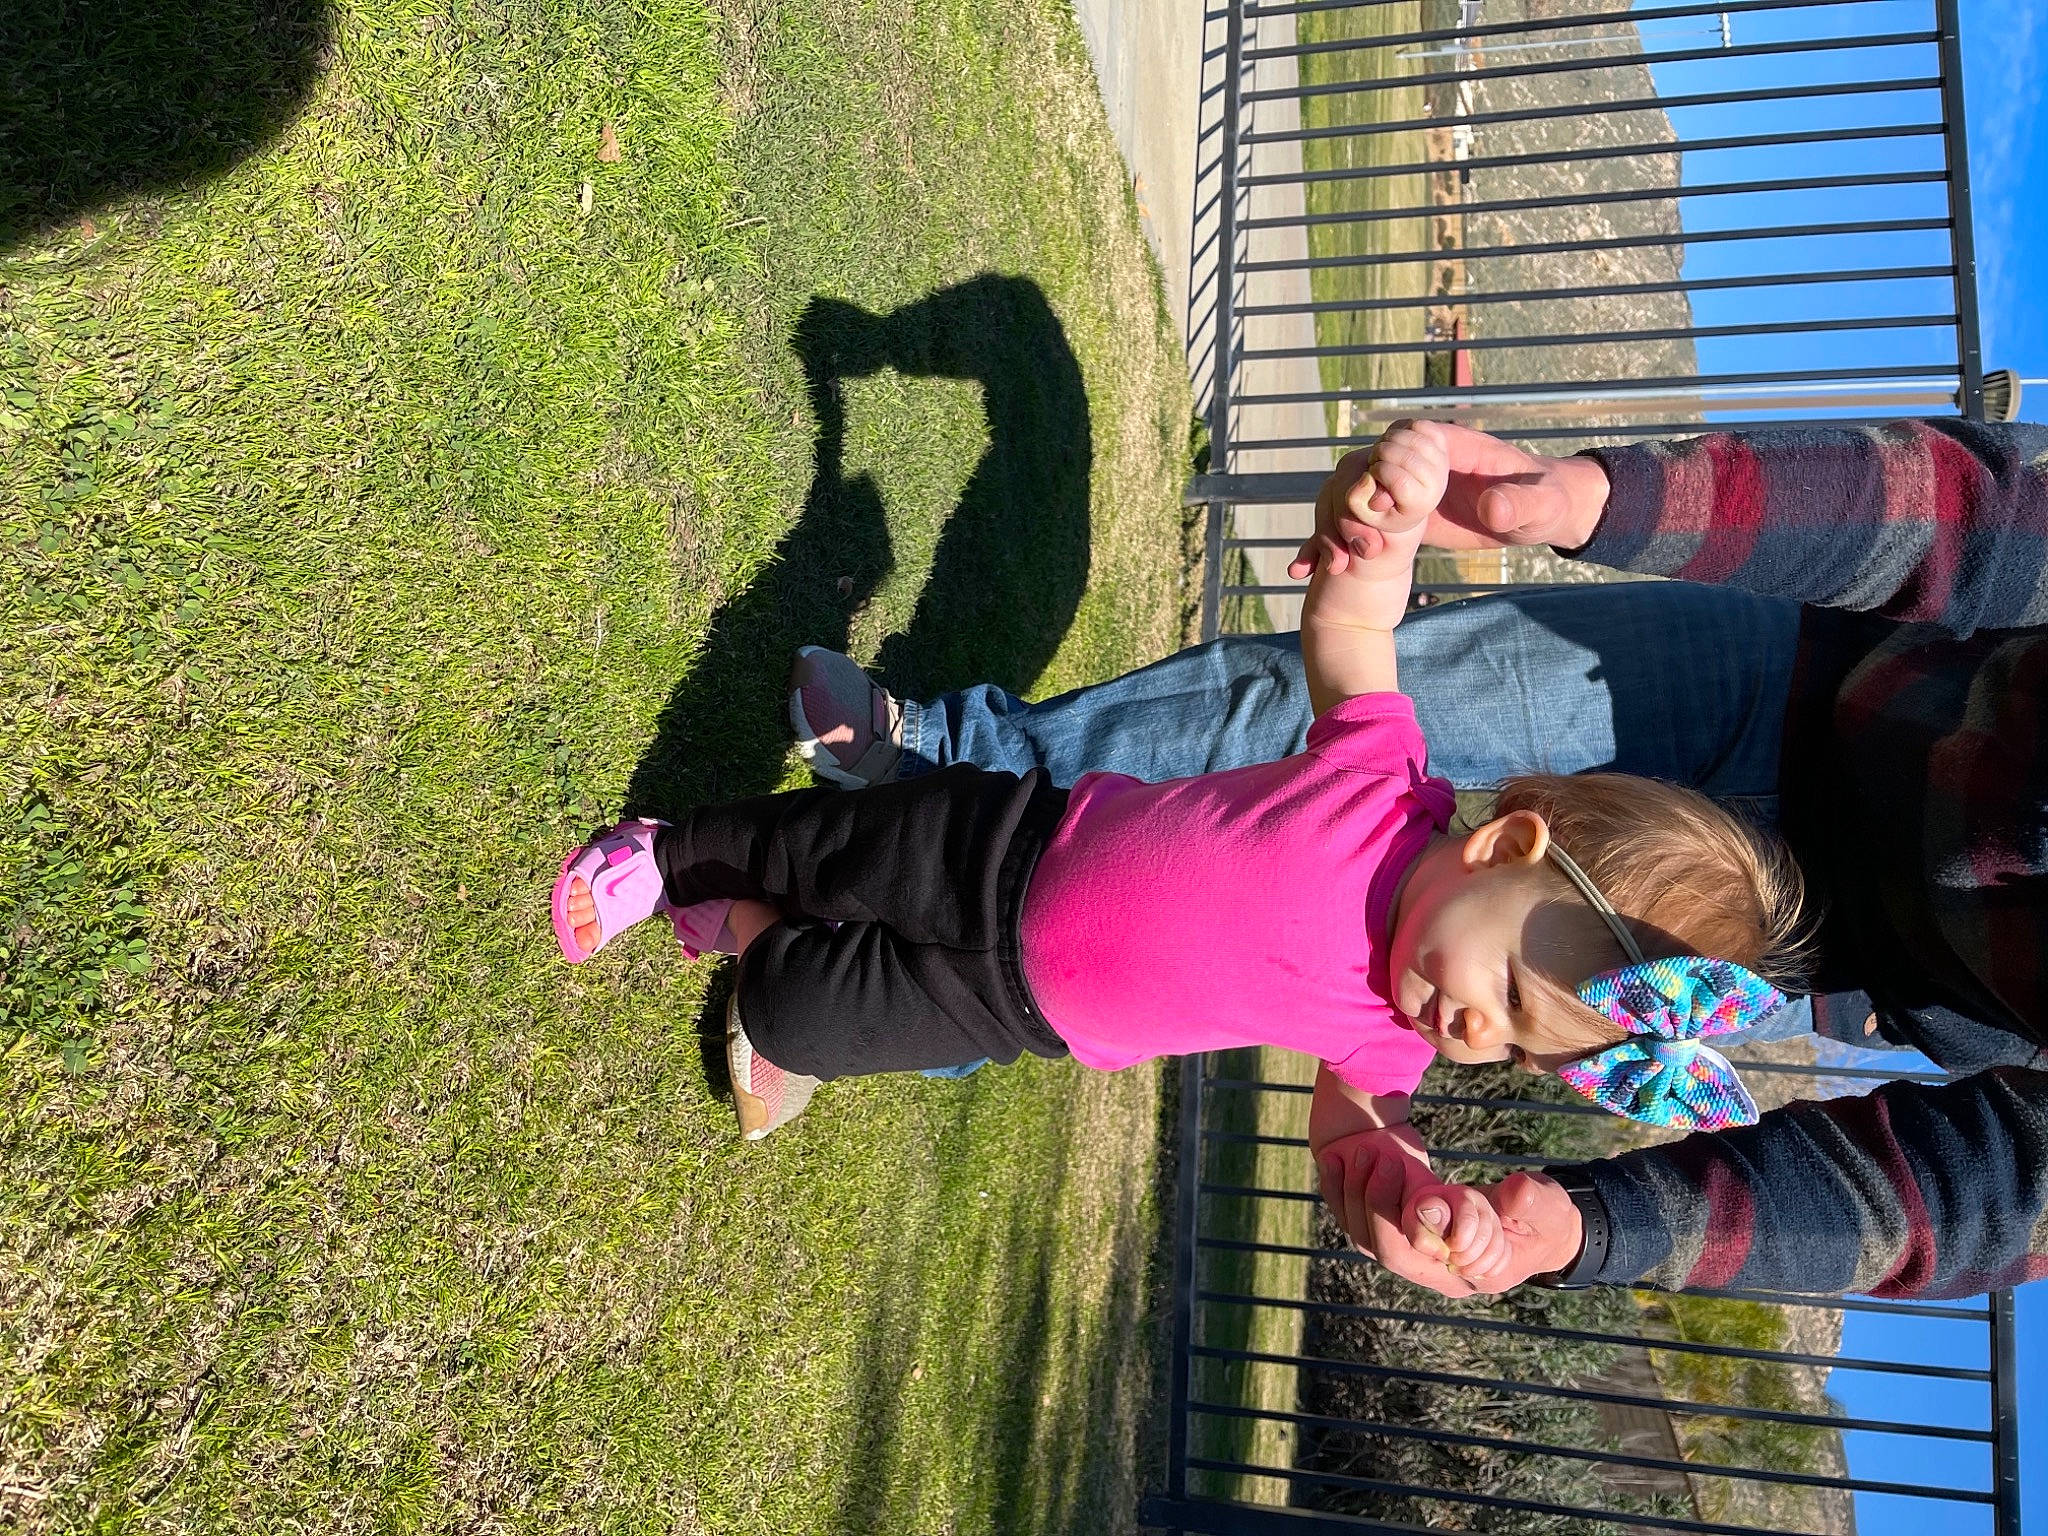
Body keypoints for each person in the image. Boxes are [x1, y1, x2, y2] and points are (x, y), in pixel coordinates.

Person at [787, 418, 2048, 1301]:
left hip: (1760, 946)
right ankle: (942, 766)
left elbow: (1965, 1201)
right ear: (1503, 839)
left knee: (1082, 967)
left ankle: (891, 992)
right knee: (1283, 734)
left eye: (1497, 1036)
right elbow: (1990, 520)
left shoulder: (1430, 1034)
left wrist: (1573, 1223)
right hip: (1808, 682)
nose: (1464, 1032)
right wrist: (1595, 503)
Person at [550, 426, 1805, 1285]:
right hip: (995, 844)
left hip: (1010, 1009)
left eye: (1520, 1047)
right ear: (1503, 846)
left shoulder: (1389, 1037)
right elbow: (1354, 623)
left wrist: (1403, 1198)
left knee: (801, 1015)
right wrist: (1381, 525)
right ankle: (677, 856)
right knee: (820, 845)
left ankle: (747, 938)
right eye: (1511, 996)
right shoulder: (1386, 778)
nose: (1480, 1034)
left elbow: (1351, 1139)